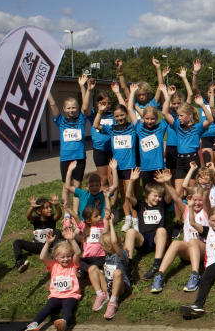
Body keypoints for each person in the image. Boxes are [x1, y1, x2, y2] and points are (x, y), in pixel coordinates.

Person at [150, 186, 210, 293]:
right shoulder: (186, 210)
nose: (197, 203)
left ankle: (195, 275)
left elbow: (206, 200)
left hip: (204, 250)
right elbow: (176, 197)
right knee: (176, 243)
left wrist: (206, 186)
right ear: (189, 199)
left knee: (193, 241)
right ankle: (159, 276)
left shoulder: (206, 211)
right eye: (194, 200)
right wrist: (166, 182)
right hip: (188, 250)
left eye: (199, 200)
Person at [23, 231, 82, 331]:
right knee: (47, 309)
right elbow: (42, 257)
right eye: (62, 257)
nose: (66, 259)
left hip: (71, 295)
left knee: (67, 309)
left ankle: (63, 323)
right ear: (56, 257)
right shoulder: (53, 265)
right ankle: (33, 325)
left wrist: (72, 239)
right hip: (55, 296)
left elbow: (78, 252)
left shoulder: (73, 264)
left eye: (68, 256)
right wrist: (47, 243)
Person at [161, 85, 215, 200]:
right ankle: (180, 217)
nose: (179, 118)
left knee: (192, 192)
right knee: (178, 194)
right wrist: (169, 96)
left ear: (189, 115)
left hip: (193, 160)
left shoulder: (198, 127)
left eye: (181, 115)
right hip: (180, 161)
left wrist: (202, 105)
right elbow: (165, 113)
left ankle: (192, 215)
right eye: (178, 115)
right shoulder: (177, 126)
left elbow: (210, 119)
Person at [179, 205, 215, 318]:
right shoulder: (207, 230)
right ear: (209, 221)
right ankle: (197, 305)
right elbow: (192, 222)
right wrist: (191, 206)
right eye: (212, 221)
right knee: (204, 280)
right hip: (212, 263)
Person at [92, 98, 138, 230]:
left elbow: (135, 119)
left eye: (122, 115)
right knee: (123, 194)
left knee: (131, 194)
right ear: (113, 117)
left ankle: (136, 221)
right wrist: (100, 111)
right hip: (117, 167)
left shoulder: (133, 128)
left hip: (130, 165)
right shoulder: (111, 129)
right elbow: (95, 125)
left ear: (127, 114)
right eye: (117, 116)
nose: (120, 118)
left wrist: (130, 105)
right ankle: (128, 219)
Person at [123, 168, 171, 280]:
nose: (157, 199)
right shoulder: (141, 206)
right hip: (144, 239)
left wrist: (166, 182)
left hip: (158, 240)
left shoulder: (162, 205)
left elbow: (169, 196)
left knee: (161, 230)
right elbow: (129, 196)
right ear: (147, 195)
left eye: (159, 196)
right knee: (130, 231)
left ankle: (156, 264)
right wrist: (131, 180)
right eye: (155, 196)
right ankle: (128, 264)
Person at [48, 87, 88, 202]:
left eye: (74, 107)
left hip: (80, 158)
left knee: (77, 186)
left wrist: (82, 87)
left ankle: (76, 211)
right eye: (69, 108)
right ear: (64, 109)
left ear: (77, 108)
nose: (71, 110)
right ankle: (66, 214)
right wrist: (47, 90)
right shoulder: (61, 121)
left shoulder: (81, 119)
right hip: (66, 158)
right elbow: (53, 105)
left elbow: (85, 105)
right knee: (66, 187)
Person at [14, 194, 63, 273]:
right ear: (38, 211)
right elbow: (28, 216)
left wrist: (57, 205)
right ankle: (19, 263)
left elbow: (59, 215)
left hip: (50, 245)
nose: (50, 209)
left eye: (50, 207)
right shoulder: (36, 220)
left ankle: (55, 255)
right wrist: (32, 207)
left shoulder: (52, 219)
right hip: (39, 246)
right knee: (17, 242)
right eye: (46, 208)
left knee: (57, 231)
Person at [94, 214, 129, 320]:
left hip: (120, 287)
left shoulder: (120, 255)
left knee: (117, 272)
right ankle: (101, 295)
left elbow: (114, 242)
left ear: (109, 247)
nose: (101, 248)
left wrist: (111, 224)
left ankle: (113, 302)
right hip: (108, 286)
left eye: (102, 246)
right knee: (92, 269)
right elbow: (106, 236)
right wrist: (106, 219)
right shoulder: (107, 254)